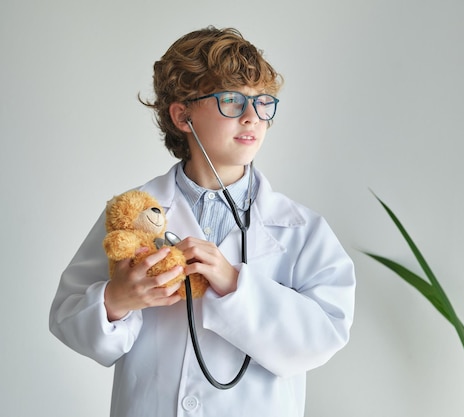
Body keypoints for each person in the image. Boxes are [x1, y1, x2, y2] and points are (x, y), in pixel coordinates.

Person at [49, 26, 355, 417]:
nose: (252, 117)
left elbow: (323, 337)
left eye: (263, 102)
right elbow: (67, 315)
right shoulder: (133, 212)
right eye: (231, 100)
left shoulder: (302, 230)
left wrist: (234, 284)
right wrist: (116, 301)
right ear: (182, 115)